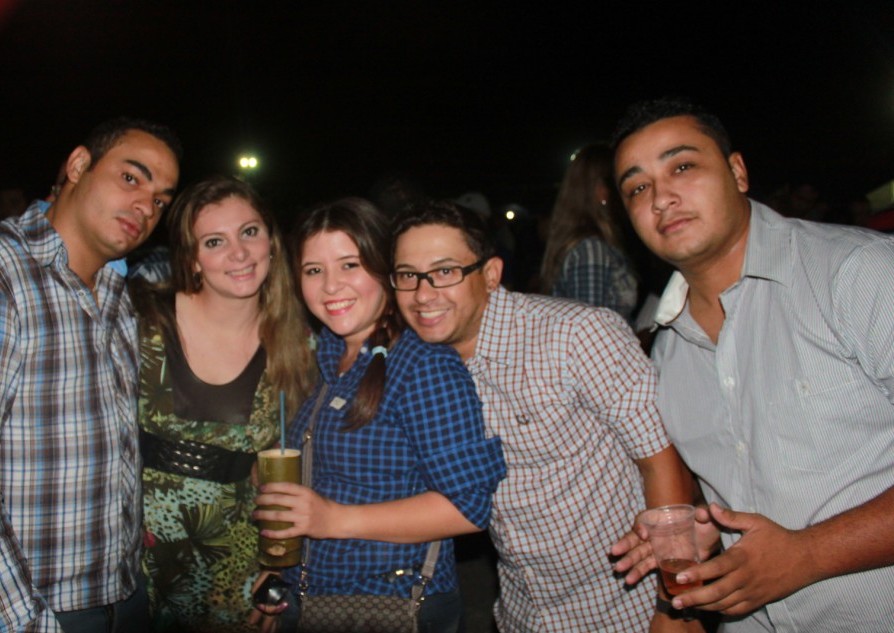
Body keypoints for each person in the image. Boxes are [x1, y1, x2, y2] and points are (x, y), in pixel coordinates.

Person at [610, 96, 894, 632]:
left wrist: (809, 553)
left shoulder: (856, 274)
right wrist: (707, 531)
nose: (662, 197)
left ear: (737, 172)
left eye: (682, 167)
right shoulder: (666, 351)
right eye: (638, 188)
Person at [391, 199, 696, 632]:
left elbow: (663, 460)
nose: (423, 294)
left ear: (491, 274)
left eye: (445, 272)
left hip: (625, 611)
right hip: (522, 614)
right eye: (408, 276)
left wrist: (675, 606)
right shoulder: (422, 367)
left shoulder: (574, 335)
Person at [253, 198, 506, 633]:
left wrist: (334, 519)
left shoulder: (422, 364)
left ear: (384, 270)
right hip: (310, 596)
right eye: (313, 270)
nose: (331, 286)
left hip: (388, 602)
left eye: (349, 265)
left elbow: (467, 508)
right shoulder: (327, 359)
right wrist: (280, 571)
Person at [0, 117, 181, 632]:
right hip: (39, 607)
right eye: (131, 178)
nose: (146, 206)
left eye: (161, 200)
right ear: (79, 165)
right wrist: (28, 622)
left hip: (124, 594)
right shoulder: (8, 274)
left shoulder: (116, 294)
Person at [133, 175, 316, 632]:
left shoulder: (298, 346)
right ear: (192, 259)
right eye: (215, 241)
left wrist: (276, 565)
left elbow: (284, 473)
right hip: (129, 558)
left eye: (249, 232)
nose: (239, 253)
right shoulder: (141, 321)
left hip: (234, 568)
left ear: (272, 242)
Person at [540, 142, 639, 321]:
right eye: (620, 182)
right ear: (601, 190)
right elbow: (590, 328)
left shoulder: (591, 244)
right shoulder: (591, 249)